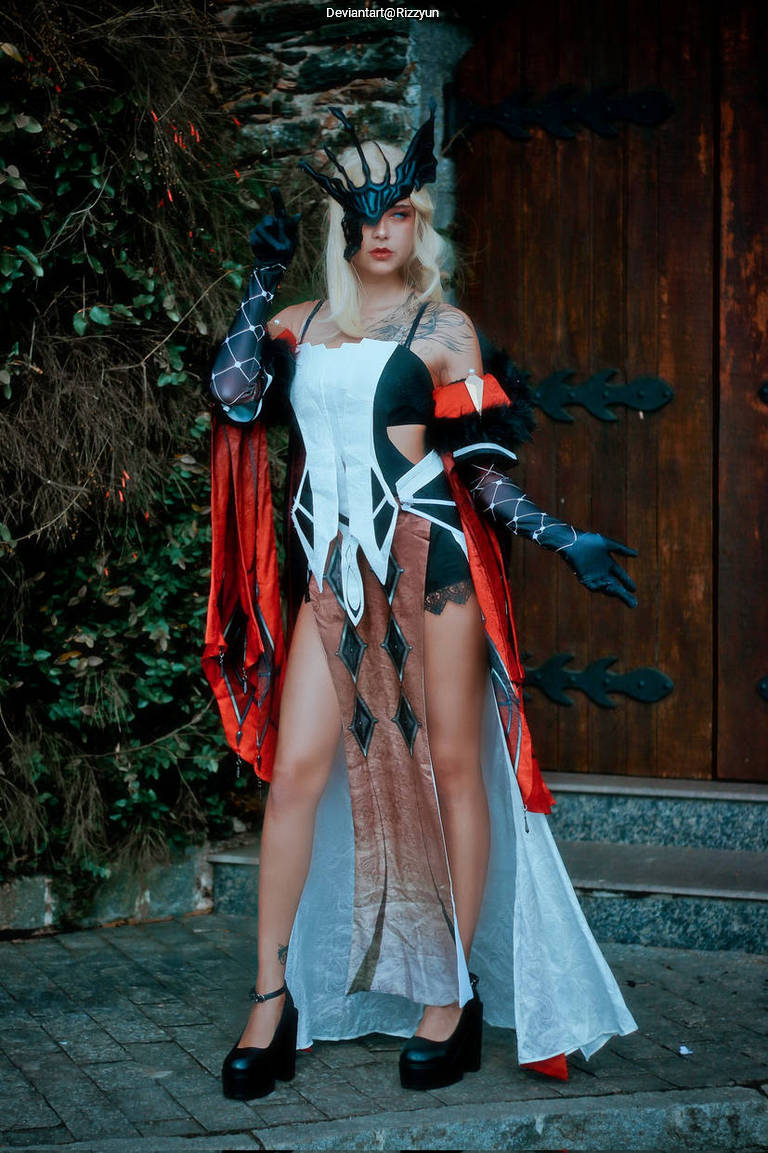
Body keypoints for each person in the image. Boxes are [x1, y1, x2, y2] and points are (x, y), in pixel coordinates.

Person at [203, 104, 639, 1101]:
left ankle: (451, 995)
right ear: (342, 228)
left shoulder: (446, 329)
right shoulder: (294, 326)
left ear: (417, 219)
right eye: (366, 216)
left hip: (429, 557)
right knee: (297, 771)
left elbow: (477, 469)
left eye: (398, 211)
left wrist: (558, 534)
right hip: (332, 572)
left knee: (452, 766)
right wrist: (259, 282)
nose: (382, 231)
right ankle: (271, 1002)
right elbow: (233, 397)